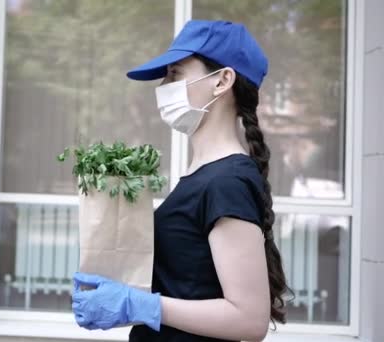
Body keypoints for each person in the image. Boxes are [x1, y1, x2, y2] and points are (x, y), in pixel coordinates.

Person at [71, 20, 292, 342]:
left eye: (176, 73)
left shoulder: (226, 182)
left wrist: (140, 304)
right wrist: (116, 290)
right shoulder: (203, 175)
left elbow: (249, 320)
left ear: (222, 81)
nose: (163, 85)